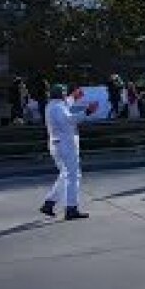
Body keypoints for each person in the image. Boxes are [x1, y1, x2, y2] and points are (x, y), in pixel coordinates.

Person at [40, 84, 98, 220]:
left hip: (57, 144)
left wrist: (74, 97)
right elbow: (69, 120)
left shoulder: (52, 105)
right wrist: (87, 111)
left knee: (65, 174)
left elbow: (66, 104)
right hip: (65, 145)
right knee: (73, 176)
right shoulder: (58, 107)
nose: (66, 96)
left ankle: (49, 203)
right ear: (61, 94)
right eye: (65, 93)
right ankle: (71, 208)